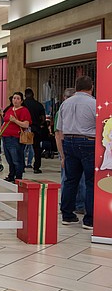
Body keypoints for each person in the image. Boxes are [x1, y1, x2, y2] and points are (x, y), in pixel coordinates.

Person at [56, 75, 96, 230]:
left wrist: (63, 154)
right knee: (90, 181)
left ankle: (67, 215)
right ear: (91, 87)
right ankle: (89, 219)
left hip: (69, 142)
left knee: (70, 180)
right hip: (88, 142)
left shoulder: (65, 104)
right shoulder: (93, 103)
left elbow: (59, 129)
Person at [55, 87, 86, 214]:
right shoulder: (62, 110)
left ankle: (78, 204)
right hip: (66, 146)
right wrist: (62, 155)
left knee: (78, 179)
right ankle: (68, 204)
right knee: (68, 178)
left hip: (71, 146)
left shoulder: (72, 110)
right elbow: (58, 134)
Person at [1, 92, 31, 182]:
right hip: (5, 137)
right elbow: (5, 122)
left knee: (16, 159)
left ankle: (18, 177)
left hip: (15, 138)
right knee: (9, 158)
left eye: (18, 98)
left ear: (21, 101)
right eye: (14, 98)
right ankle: (11, 175)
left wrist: (15, 120)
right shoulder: (10, 109)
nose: (15, 100)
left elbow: (26, 124)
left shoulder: (24, 110)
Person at [23, 88, 46, 173]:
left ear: (25, 95)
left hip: (25, 129)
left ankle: (21, 166)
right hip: (36, 129)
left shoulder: (23, 104)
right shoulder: (39, 105)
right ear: (33, 95)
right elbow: (43, 118)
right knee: (36, 149)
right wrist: (39, 124)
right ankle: (36, 167)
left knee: (22, 148)